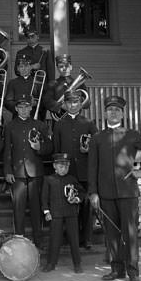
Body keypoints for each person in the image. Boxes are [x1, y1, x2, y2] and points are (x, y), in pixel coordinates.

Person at [87, 95, 141, 281]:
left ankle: (133, 271)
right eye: (110, 109)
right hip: (105, 194)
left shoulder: (131, 134)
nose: (113, 112)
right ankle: (116, 268)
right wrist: (93, 192)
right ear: (105, 113)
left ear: (122, 113)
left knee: (130, 233)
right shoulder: (97, 138)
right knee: (111, 233)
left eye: (117, 110)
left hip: (128, 193)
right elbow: (92, 167)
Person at [52, 89, 99, 249]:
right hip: (67, 172)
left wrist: (89, 149)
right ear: (65, 105)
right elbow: (57, 150)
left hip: (85, 171)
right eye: (70, 102)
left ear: (81, 104)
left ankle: (86, 239)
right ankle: (71, 237)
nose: (73, 105)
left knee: (86, 206)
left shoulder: (88, 123)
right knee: (68, 204)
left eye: (76, 102)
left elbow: (97, 146)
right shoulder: (59, 124)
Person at [3, 94, 53, 245]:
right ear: (16, 109)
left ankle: (38, 242)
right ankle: (20, 242)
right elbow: (7, 151)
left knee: (36, 209)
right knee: (18, 209)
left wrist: (40, 148)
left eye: (27, 107)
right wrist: (7, 171)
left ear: (31, 108)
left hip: (35, 172)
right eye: (21, 107)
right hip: (17, 174)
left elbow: (50, 147)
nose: (24, 110)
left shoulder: (40, 125)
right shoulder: (10, 126)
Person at [41, 153, 84, 273]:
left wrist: (77, 199)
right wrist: (46, 211)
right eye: (61, 166)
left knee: (74, 238)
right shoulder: (49, 179)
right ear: (55, 166)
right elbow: (44, 197)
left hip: (71, 212)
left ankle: (77, 264)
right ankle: (51, 263)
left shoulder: (72, 179)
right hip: (56, 213)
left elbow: (81, 192)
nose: (63, 169)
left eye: (66, 166)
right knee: (55, 238)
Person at [43, 54, 88, 120]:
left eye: (66, 66)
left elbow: (87, 104)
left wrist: (75, 104)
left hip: (77, 120)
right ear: (57, 68)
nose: (64, 68)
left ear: (71, 67)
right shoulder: (52, 84)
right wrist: (62, 106)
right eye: (61, 66)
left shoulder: (80, 84)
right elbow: (46, 101)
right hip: (58, 120)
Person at [5, 53, 40, 117]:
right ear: (18, 68)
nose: (24, 69)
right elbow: (7, 102)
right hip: (17, 118)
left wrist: (36, 103)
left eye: (26, 66)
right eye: (21, 66)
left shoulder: (38, 82)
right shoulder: (12, 83)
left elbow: (44, 101)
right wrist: (19, 107)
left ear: (30, 67)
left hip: (34, 117)